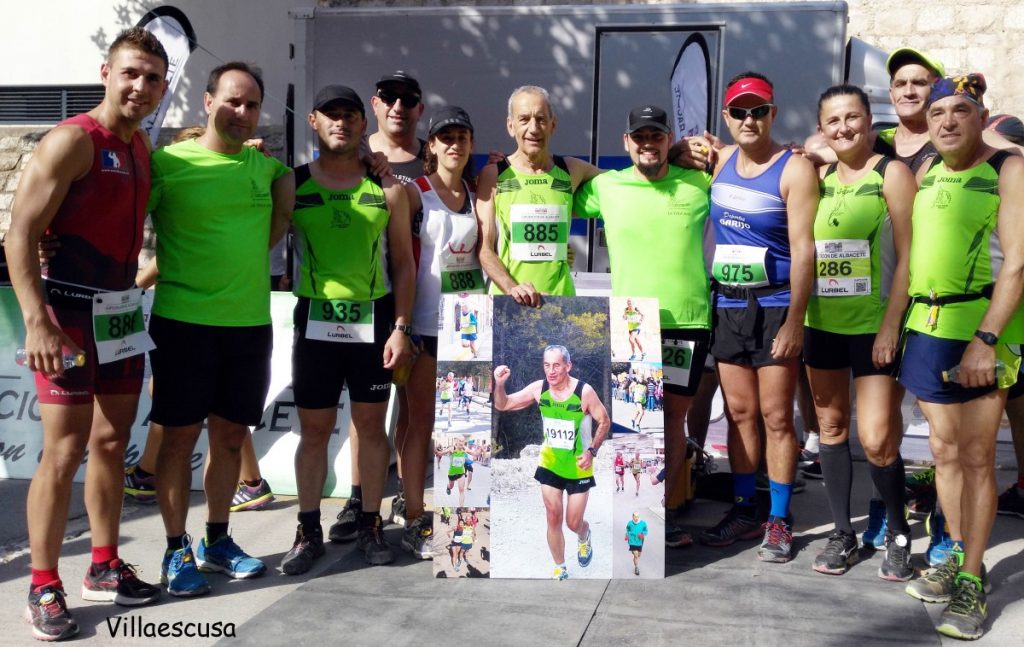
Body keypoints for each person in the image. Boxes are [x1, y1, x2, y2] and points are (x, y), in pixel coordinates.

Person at [5, 27, 168, 640]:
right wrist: (37, 320)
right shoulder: (74, 140)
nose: (141, 86)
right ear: (106, 73)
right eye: (131, 73)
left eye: (153, 77)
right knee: (64, 451)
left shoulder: (141, 148)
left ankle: (102, 565)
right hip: (68, 315)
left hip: (121, 313)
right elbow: (20, 233)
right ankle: (43, 583)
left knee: (110, 443)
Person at [147, 61, 293, 595]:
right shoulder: (165, 163)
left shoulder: (270, 171)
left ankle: (217, 540)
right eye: (232, 100)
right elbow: (119, 217)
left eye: (252, 104)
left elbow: (283, 212)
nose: (242, 112)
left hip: (249, 325)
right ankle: (173, 548)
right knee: (178, 443)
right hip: (183, 324)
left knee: (230, 439)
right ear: (207, 102)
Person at [899, 74, 1024, 641]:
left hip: (980, 333)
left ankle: (972, 579)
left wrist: (988, 339)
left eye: (961, 111)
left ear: (982, 116)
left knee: (976, 459)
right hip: (926, 327)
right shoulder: (925, 171)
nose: (947, 120)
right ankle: (953, 555)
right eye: (938, 111)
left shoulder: (1008, 170)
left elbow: (1018, 264)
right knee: (944, 453)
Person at [281, 84, 414, 573]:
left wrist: (400, 326)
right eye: (330, 114)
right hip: (314, 321)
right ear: (313, 121)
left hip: (374, 322)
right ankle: (308, 528)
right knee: (314, 431)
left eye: (350, 115)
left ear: (364, 124)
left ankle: (371, 524)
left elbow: (402, 262)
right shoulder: (291, 183)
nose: (341, 122)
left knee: (370, 429)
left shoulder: (389, 187)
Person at [574, 103, 713, 546]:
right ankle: (629, 510)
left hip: (686, 321)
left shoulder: (699, 182)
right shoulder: (608, 187)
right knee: (633, 422)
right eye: (640, 136)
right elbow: (561, 182)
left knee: (673, 421)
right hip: (633, 322)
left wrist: (704, 151)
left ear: (668, 139)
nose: (648, 143)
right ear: (626, 142)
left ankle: (660, 515)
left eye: (657, 136)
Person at [697, 72, 818, 565]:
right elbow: (673, 154)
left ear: (773, 114)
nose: (750, 119)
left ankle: (779, 517)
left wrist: (795, 321)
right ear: (726, 118)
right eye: (740, 111)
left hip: (774, 307)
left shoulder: (795, 169)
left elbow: (805, 250)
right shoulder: (719, 159)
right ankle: (745, 507)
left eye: (759, 110)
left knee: (775, 417)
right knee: (740, 414)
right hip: (728, 303)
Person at [802, 85, 916, 580]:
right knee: (830, 429)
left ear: (870, 121)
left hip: (874, 329)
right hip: (821, 324)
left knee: (877, 440)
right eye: (833, 121)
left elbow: (913, 253)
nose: (844, 127)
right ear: (822, 128)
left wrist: (892, 323)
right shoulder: (816, 176)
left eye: (852, 117)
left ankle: (897, 532)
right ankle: (842, 534)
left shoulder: (891, 173)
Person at [493, 344, 610, 580]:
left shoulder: (584, 392)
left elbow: (604, 421)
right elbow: (503, 404)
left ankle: (584, 534)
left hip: (579, 465)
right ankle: (560, 567)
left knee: (573, 522)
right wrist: (499, 385)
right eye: (547, 365)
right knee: (553, 515)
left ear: (568, 366)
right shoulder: (540, 388)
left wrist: (591, 451)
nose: (551, 371)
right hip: (549, 463)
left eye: (556, 365)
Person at [477, 86, 601, 305]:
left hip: (560, 302)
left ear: (553, 125)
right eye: (524, 119)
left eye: (541, 119)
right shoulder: (494, 175)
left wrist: (673, 158)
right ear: (510, 126)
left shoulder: (571, 169)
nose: (533, 129)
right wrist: (512, 288)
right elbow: (484, 249)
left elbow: (627, 181)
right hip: (509, 302)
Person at [440, 436, 470, 508]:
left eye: (463, 441)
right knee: (451, 486)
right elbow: (441, 453)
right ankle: (448, 487)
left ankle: (461, 507)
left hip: (461, 473)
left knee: (462, 490)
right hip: (452, 473)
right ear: (456, 441)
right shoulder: (452, 449)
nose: (461, 442)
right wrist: (436, 451)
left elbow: (474, 454)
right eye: (460, 441)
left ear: (464, 442)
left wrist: (480, 451)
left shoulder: (465, 449)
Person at [625, 511, 649, 576]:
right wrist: (627, 535)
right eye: (635, 516)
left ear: (639, 517)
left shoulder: (643, 523)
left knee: (638, 555)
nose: (636, 518)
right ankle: (636, 568)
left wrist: (642, 534)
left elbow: (646, 530)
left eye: (637, 516)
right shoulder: (630, 523)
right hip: (632, 541)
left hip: (640, 542)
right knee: (636, 555)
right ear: (632, 516)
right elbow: (627, 529)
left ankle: (635, 560)